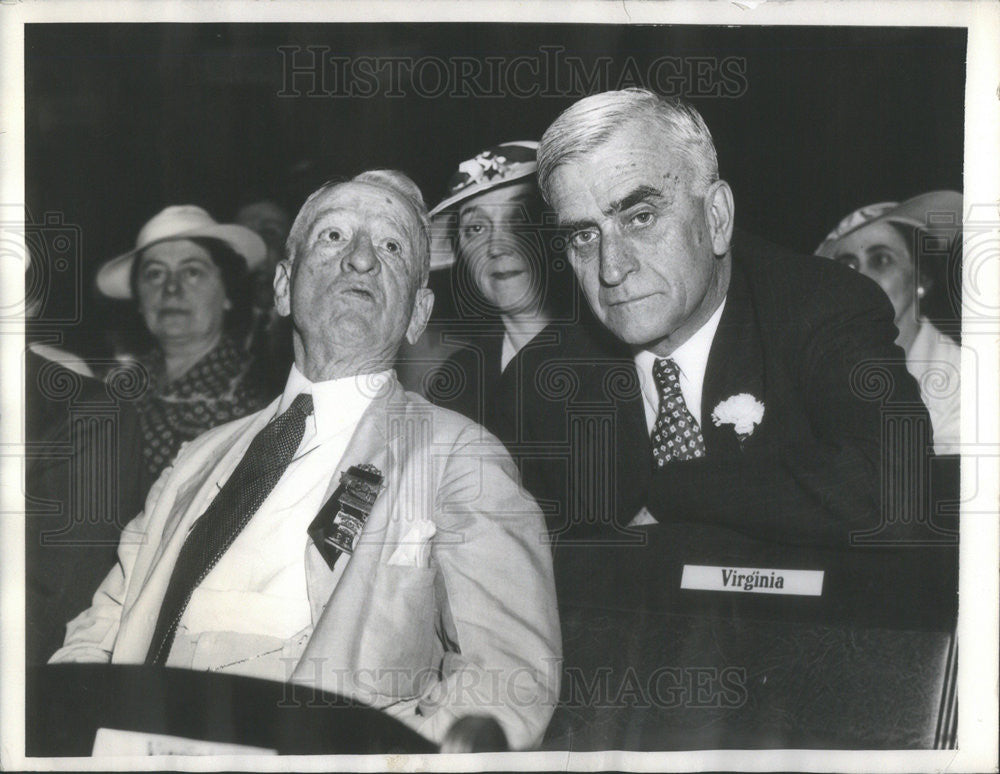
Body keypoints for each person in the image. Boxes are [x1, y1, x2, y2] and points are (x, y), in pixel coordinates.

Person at [52, 170, 561, 750]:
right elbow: (99, 629)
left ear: (419, 313)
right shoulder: (196, 460)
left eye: (391, 246)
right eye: (334, 237)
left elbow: (509, 682)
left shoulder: (457, 459)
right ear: (283, 287)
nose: (361, 260)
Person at [521, 88, 933, 548]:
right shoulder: (539, 381)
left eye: (640, 217)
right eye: (583, 236)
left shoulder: (822, 307)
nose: (612, 268)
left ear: (716, 218)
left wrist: (672, 495)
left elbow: (899, 494)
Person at [95, 205, 272, 482]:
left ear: (228, 292)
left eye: (192, 272)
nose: (171, 288)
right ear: (139, 300)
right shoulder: (112, 383)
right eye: (155, 273)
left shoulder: (257, 396)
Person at [423, 141, 578, 445]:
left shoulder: (619, 353)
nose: (497, 246)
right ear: (461, 251)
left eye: (520, 218)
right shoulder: (458, 381)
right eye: (476, 228)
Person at [816, 192, 962, 455]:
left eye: (881, 260)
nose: (861, 279)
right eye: (848, 265)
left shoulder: (966, 378)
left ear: (921, 279)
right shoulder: (822, 368)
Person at [235, 199, 296, 395]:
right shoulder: (216, 321)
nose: (256, 247)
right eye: (244, 237)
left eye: (269, 234)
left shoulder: (310, 326)